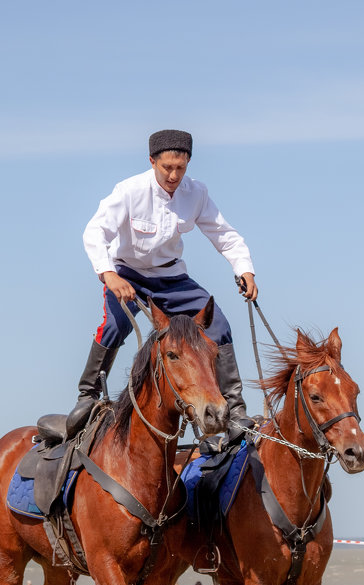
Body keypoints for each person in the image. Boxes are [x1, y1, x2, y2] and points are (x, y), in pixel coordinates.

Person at [67, 129, 257, 441]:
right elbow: (94, 231)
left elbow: (224, 235)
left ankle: (234, 410)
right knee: (114, 327)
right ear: (152, 161)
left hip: (171, 279)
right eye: (167, 167)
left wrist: (244, 269)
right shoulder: (129, 191)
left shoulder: (196, 194)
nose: (173, 175)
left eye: (180, 168)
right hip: (127, 273)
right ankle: (87, 397)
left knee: (218, 325)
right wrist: (109, 274)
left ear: (188, 164)